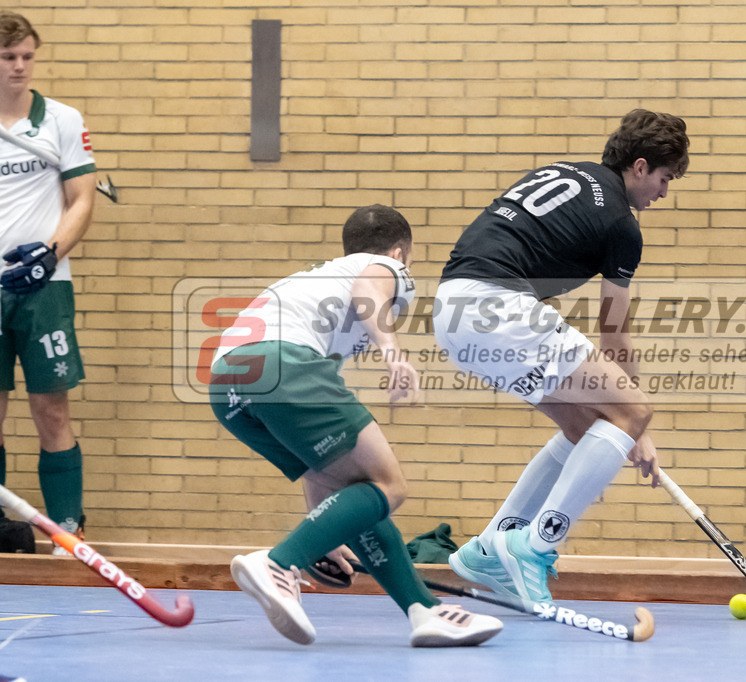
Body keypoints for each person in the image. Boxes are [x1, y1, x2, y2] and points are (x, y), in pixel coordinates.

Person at [208, 205, 502, 648]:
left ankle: (425, 611)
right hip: (283, 362)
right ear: (401, 252)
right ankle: (278, 563)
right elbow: (371, 285)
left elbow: (320, 472)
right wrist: (392, 352)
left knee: (359, 488)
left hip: (228, 383)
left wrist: (322, 529)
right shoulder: (385, 266)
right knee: (389, 484)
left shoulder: (314, 282)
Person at [433, 109, 690, 604]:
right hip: (496, 305)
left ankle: (489, 549)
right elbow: (614, 330)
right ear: (639, 167)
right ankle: (536, 546)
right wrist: (638, 426)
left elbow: (523, 251)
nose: (663, 192)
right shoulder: (621, 224)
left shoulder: (566, 172)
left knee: (584, 430)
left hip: (452, 311)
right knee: (630, 410)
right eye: (664, 178)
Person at [0, 12, 96, 554]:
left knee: (51, 408)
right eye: (9, 58)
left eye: (27, 57)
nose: (19, 67)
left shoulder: (60, 118)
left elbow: (82, 200)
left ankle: (67, 526)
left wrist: (48, 254)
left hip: (44, 287)